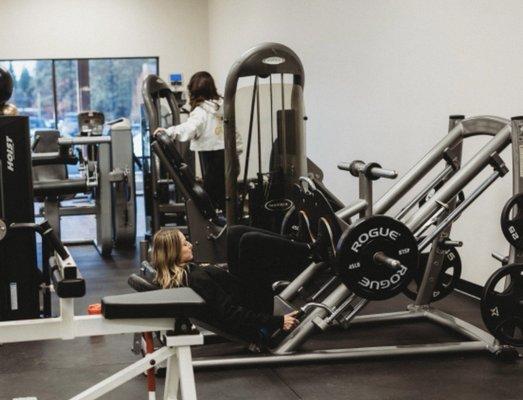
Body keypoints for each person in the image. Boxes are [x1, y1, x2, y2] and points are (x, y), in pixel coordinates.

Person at [151, 227, 308, 347]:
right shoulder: (195, 279)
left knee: (234, 233)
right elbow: (231, 313)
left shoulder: (183, 273)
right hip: (256, 307)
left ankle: (296, 243)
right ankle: (309, 251)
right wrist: (278, 322)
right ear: (173, 253)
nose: (191, 245)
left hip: (244, 293)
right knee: (249, 242)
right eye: (185, 244)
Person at [153, 71, 242, 211]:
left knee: (212, 198)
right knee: (228, 196)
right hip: (230, 156)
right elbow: (234, 131)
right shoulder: (224, 106)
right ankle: (229, 224)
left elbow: (189, 129)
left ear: (194, 91)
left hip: (212, 159)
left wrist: (169, 132)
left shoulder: (201, 111)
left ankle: (215, 227)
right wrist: (237, 151)